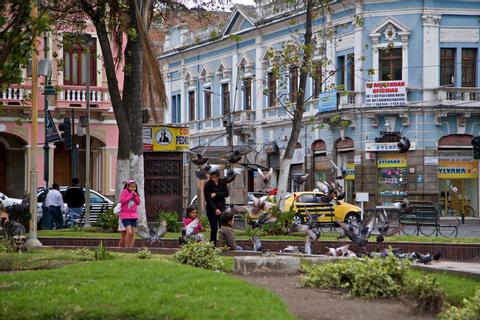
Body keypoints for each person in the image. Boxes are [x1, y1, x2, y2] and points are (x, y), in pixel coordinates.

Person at [203, 170, 229, 244]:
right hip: (211, 209)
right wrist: (215, 209)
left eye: (216, 177)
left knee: (222, 227)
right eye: (212, 177)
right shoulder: (207, 185)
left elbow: (226, 193)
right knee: (214, 227)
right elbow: (208, 199)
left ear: (218, 176)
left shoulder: (223, 183)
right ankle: (212, 244)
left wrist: (216, 194)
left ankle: (223, 244)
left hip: (221, 207)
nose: (214, 179)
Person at [119, 179, 140, 248]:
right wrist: (131, 195)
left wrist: (136, 196)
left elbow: (138, 203)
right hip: (125, 216)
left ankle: (131, 249)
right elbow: (122, 201)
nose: (133, 188)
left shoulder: (135, 193)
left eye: (134, 187)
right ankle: (126, 248)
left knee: (133, 234)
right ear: (128, 186)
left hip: (133, 216)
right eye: (132, 187)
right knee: (129, 232)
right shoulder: (124, 192)